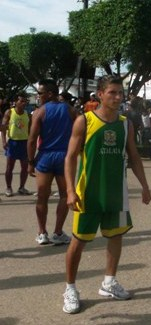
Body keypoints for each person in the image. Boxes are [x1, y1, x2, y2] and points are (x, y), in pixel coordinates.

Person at [62, 75, 151, 314]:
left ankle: (109, 282)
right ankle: (70, 289)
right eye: (112, 92)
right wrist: (70, 190)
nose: (118, 97)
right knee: (78, 242)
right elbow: (70, 157)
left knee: (116, 236)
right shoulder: (85, 121)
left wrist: (144, 185)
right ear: (100, 94)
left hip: (116, 193)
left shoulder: (125, 124)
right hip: (88, 194)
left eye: (120, 93)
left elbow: (134, 156)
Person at [27, 79, 76, 245]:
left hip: (45, 157)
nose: (38, 96)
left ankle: (42, 233)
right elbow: (83, 129)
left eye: (40, 93)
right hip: (64, 157)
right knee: (64, 195)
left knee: (42, 196)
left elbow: (32, 139)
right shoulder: (70, 110)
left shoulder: (40, 112)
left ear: (49, 93)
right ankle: (57, 232)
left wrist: (30, 161)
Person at [1, 92, 31, 196]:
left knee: (24, 167)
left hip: (24, 143)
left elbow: (30, 130)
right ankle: (9, 188)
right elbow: (3, 127)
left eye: (25, 101)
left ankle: (22, 187)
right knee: (10, 167)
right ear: (15, 102)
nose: (24, 103)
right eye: (21, 101)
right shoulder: (9, 112)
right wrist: (4, 141)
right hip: (13, 143)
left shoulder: (27, 114)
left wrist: (31, 144)